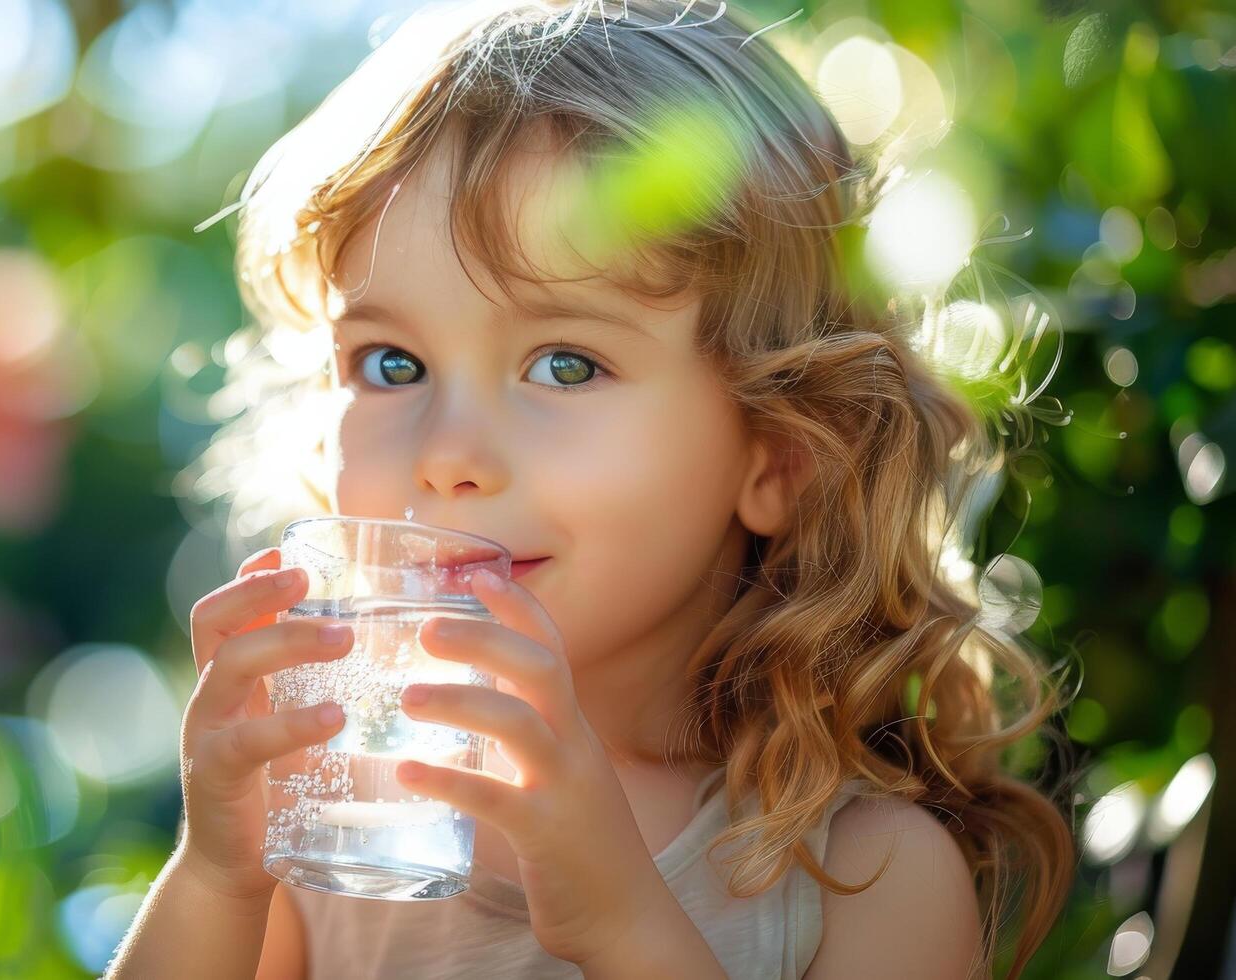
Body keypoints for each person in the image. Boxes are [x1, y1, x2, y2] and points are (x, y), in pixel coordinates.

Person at [112, 1, 1073, 976]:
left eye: (564, 364)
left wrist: (621, 922)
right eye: (392, 363)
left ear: (780, 455)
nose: (448, 453)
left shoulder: (866, 873)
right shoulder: (335, 825)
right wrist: (216, 877)